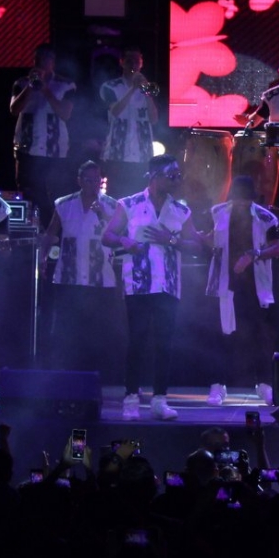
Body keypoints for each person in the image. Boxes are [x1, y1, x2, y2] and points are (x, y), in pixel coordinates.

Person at [103, 155, 200, 421]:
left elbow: (197, 245)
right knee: (137, 342)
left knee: (164, 344)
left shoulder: (181, 210)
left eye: (178, 175)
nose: (177, 180)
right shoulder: (130, 204)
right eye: (172, 175)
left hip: (168, 286)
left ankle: (160, 399)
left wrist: (173, 240)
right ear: (155, 176)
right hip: (138, 284)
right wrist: (126, 241)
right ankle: (131, 398)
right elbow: (107, 236)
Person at [203, 175, 279, 407]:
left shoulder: (265, 217)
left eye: (245, 202)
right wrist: (203, 241)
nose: (241, 205)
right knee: (221, 336)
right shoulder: (216, 213)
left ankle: (265, 385)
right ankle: (218, 386)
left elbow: (277, 248)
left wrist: (252, 255)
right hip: (225, 284)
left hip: (255, 286)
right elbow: (210, 239)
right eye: (238, 200)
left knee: (260, 336)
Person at [39, 160, 120, 373]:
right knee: (68, 329)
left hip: (100, 278)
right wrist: (43, 258)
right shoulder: (64, 204)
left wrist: (103, 215)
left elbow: (122, 236)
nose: (93, 184)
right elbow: (51, 233)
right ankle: (66, 374)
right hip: (69, 276)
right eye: (88, 179)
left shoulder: (112, 205)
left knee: (97, 331)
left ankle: (96, 377)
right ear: (79, 181)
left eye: (97, 180)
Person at [9, 44, 75, 222]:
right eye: (37, 59)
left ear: (52, 62)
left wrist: (45, 88)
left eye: (45, 59)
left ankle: (53, 235)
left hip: (54, 150)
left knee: (53, 195)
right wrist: (31, 86)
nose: (41, 63)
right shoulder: (22, 83)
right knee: (27, 193)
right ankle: (28, 235)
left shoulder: (66, 84)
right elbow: (14, 110)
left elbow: (65, 113)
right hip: (26, 149)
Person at [100, 46, 160, 196]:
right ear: (121, 62)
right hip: (117, 154)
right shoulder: (110, 87)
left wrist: (146, 93)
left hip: (142, 155)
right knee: (116, 197)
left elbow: (154, 119)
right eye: (129, 61)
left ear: (142, 63)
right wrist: (133, 88)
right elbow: (115, 111)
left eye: (137, 61)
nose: (133, 65)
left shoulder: (147, 89)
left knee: (140, 199)